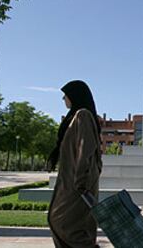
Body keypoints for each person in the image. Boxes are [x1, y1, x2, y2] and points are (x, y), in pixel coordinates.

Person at [47, 80, 102, 248]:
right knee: (63, 222)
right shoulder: (75, 116)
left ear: (75, 95)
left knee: (64, 222)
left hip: (77, 183)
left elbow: (85, 149)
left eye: (66, 95)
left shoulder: (82, 115)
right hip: (70, 181)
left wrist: (80, 180)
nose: (64, 99)